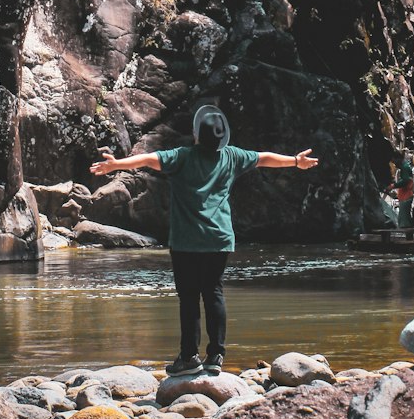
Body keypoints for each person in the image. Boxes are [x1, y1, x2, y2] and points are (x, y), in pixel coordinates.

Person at [89, 106, 318, 377]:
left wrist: (116, 164)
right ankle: (216, 356)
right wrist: (294, 161)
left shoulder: (182, 157)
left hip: (187, 240)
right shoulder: (232, 156)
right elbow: (264, 158)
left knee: (189, 298)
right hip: (218, 238)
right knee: (213, 293)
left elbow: (148, 160)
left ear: (197, 135)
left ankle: (189, 357)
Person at [386, 152, 414, 229]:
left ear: (398, 158)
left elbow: (405, 181)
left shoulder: (405, 167)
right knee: (405, 219)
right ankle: (409, 238)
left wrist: (393, 186)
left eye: (394, 161)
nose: (394, 164)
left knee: (405, 222)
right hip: (405, 196)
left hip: (406, 196)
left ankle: (409, 239)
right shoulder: (404, 167)